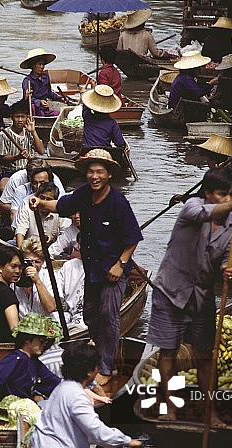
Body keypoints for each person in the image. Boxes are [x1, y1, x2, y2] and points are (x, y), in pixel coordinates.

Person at [30, 149, 143, 385]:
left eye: (99, 172)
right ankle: (100, 352)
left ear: (109, 174)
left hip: (113, 269)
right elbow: (61, 205)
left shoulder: (117, 202)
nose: (94, 176)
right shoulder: (83, 195)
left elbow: (132, 238)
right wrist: (40, 202)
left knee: (108, 315)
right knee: (91, 315)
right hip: (92, 267)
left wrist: (121, 265)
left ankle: (107, 367)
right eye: (91, 172)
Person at [147, 167, 232, 427]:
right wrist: (231, 204)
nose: (226, 200)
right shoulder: (192, 206)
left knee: (205, 354)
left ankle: (209, 412)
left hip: (201, 295)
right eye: (221, 195)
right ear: (208, 193)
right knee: (167, 352)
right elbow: (203, 214)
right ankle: (169, 405)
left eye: (230, 195)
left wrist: (230, 268)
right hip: (171, 290)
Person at [26, 342, 141, 448]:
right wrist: (127, 441)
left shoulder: (62, 388)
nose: (98, 370)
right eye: (97, 366)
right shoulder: (77, 396)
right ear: (89, 371)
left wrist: (106, 446)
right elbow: (96, 431)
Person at [0, 313, 63, 415]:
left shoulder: (34, 362)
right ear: (27, 341)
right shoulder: (16, 359)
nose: (43, 345)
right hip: (12, 410)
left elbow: (55, 382)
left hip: (27, 408)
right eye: (41, 341)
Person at [0, 159, 66, 225]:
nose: (38, 186)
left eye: (42, 182)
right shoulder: (18, 181)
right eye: (34, 182)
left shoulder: (55, 181)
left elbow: (62, 205)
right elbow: (5, 207)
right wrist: (25, 210)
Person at [0, 100, 46, 175]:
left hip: (29, 171)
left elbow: (41, 151)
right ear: (12, 117)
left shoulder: (29, 132)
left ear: (27, 118)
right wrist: (18, 157)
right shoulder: (3, 134)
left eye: (23, 117)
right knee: (3, 186)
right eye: (17, 117)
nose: (20, 120)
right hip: (10, 172)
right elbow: (2, 159)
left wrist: (33, 131)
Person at [15, 183, 70, 248]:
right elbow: (20, 232)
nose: (44, 202)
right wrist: (22, 253)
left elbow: (66, 236)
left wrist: (52, 237)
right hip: (29, 248)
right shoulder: (27, 208)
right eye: (42, 198)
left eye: (48, 199)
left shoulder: (60, 211)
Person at [14, 237, 58, 319]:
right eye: (28, 261)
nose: (33, 265)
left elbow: (51, 307)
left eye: (37, 262)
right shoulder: (15, 276)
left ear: (43, 262)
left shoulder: (50, 276)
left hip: (44, 326)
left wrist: (37, 281)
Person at [20, 48, 64, 117]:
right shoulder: (27, 80)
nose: (42, 67)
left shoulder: (46, 77)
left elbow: (49, 93)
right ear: (33, 66)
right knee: (34, 107)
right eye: (39, 64)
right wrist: (39, 102)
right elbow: (28, 98)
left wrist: (60, 98)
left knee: (60, 114)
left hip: (44, 108)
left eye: (43, 64)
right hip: (33, 109)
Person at [81, 84, 126, 149]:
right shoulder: (112, 123)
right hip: (105, 151)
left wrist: (85, 93)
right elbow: (120, 143)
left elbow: (86, 106)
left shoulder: (88, 117)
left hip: (87, 150)